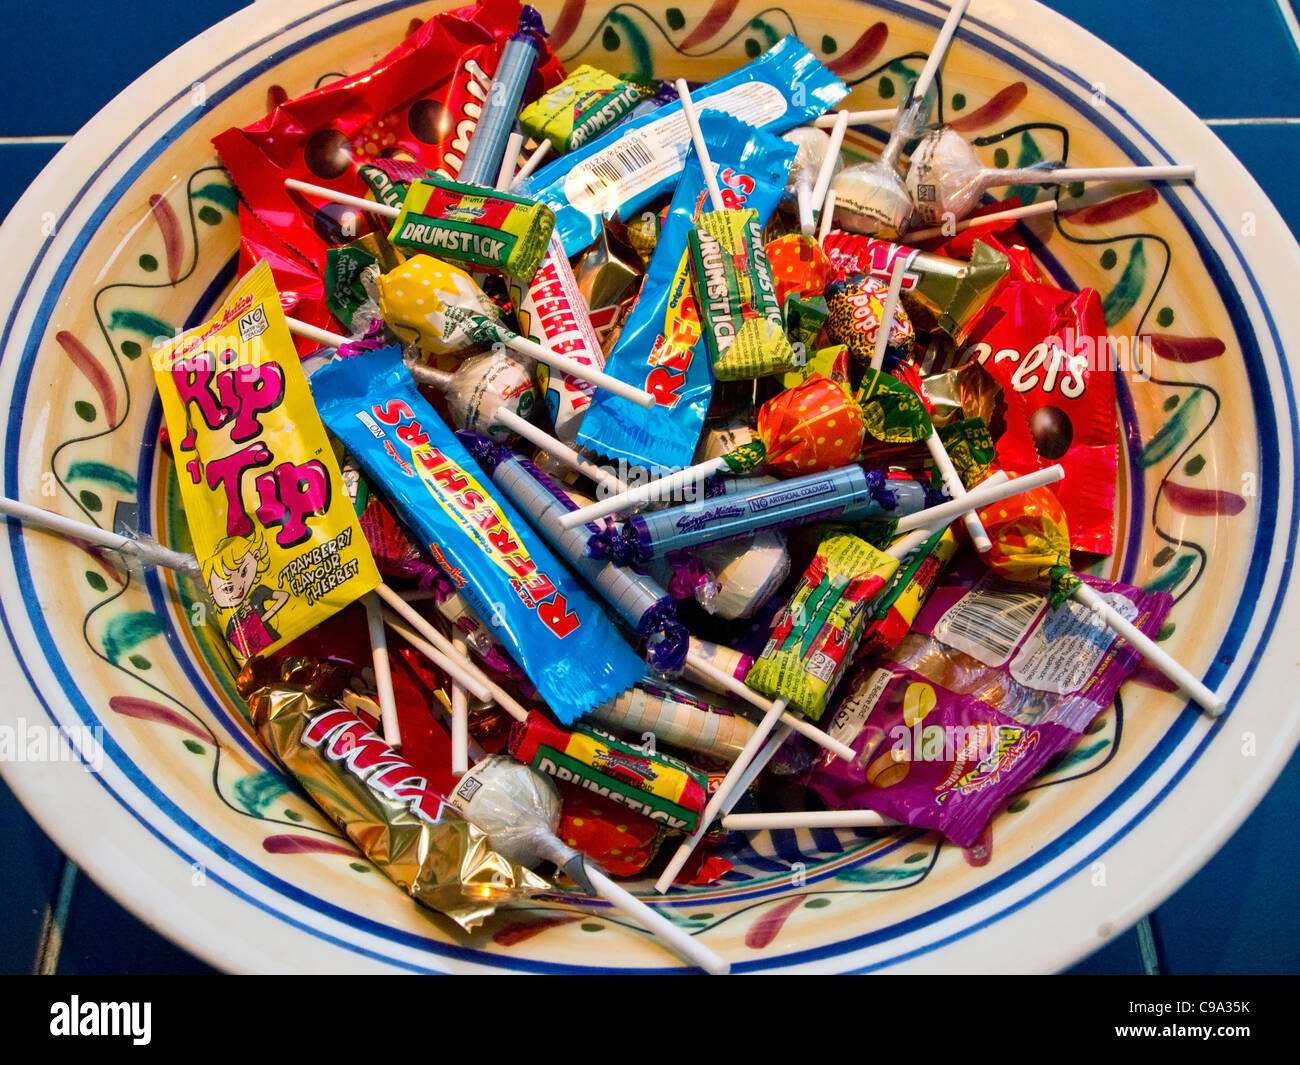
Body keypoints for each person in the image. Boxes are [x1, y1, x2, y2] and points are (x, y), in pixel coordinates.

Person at [203, 531, 288, 658]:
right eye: (227, 588)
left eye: (244, 573)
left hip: (277, 643)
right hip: (258, 661)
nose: (239, 587)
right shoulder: (230, 623)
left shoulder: (258, 593)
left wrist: (265, 617)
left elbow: (283, 596)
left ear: (257, 556)